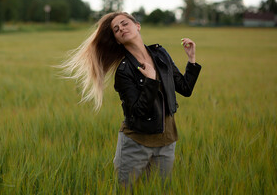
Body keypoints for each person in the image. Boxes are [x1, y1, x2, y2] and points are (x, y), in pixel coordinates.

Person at [60, 12, 201, 186]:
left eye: (125, 23)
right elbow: (138, 112)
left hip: (167, 141)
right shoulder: (124, 71)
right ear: (118, 40)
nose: (121, 29)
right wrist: (150, 81)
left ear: (138, 26)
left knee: (159, 190)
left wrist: (191, 59)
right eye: (116, 29)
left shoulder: (160, 54)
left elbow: (185, 88)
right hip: (136, 144)